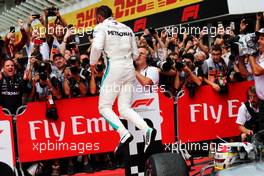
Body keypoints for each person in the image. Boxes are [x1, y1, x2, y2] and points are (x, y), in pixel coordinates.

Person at [89, 5, 156, 155]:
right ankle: (147, 129)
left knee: (104, 107)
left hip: (114, 67)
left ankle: (124, 134)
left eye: (96, 18)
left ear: (99, 17)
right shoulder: (127, 28)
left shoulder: (101, 27)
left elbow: (96, 47)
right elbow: (135, 54)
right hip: (129, 69)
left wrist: (92, 63)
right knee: (124, 108)